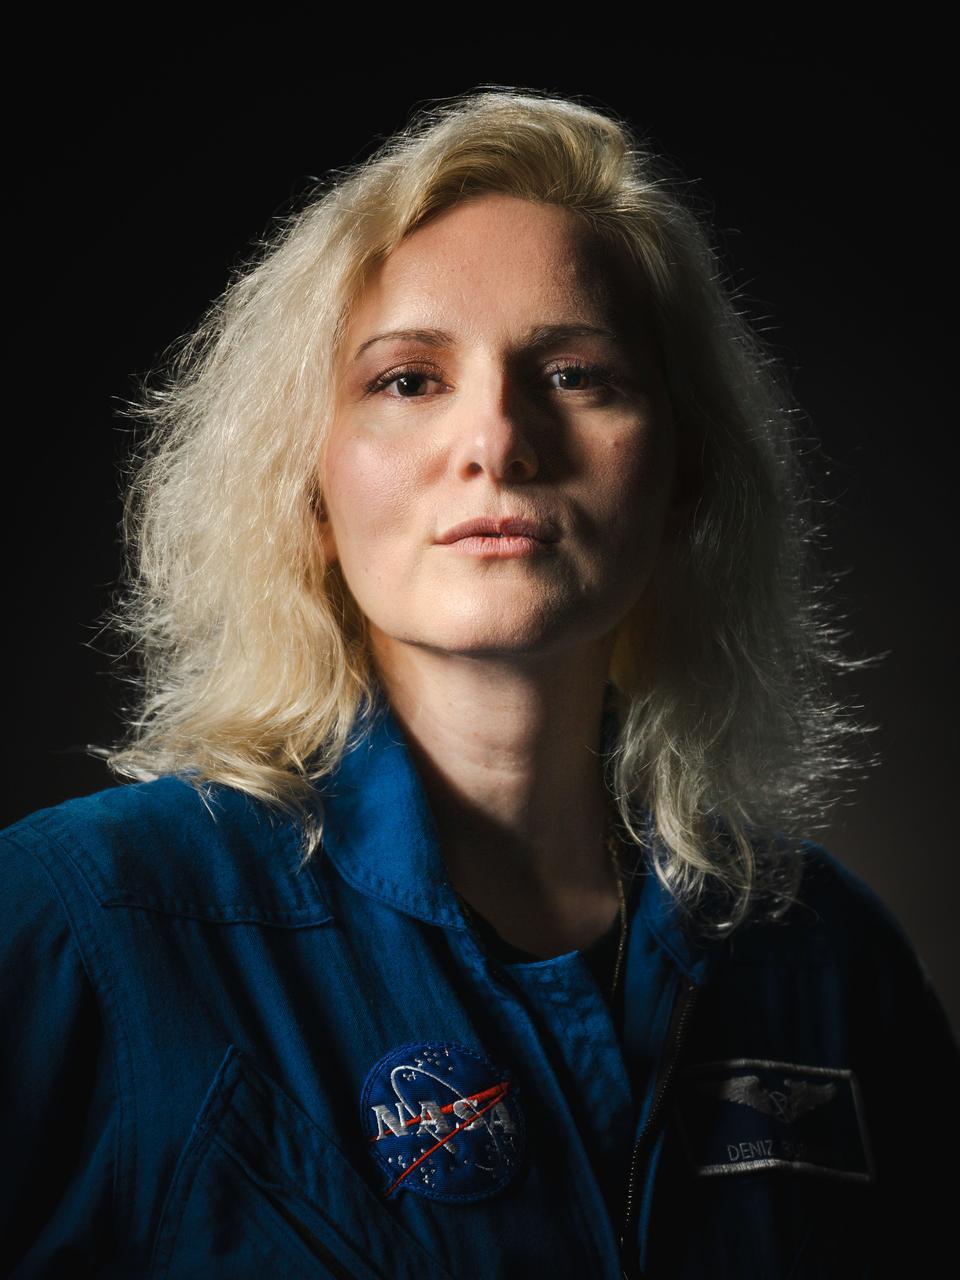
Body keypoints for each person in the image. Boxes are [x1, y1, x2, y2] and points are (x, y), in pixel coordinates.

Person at [1, 87, 957, 1280]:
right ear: (307, 484)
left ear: (684, 476)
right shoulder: (81, 920)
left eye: (574, 373)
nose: (498, 439)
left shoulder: (830, 958)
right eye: (408, 379)